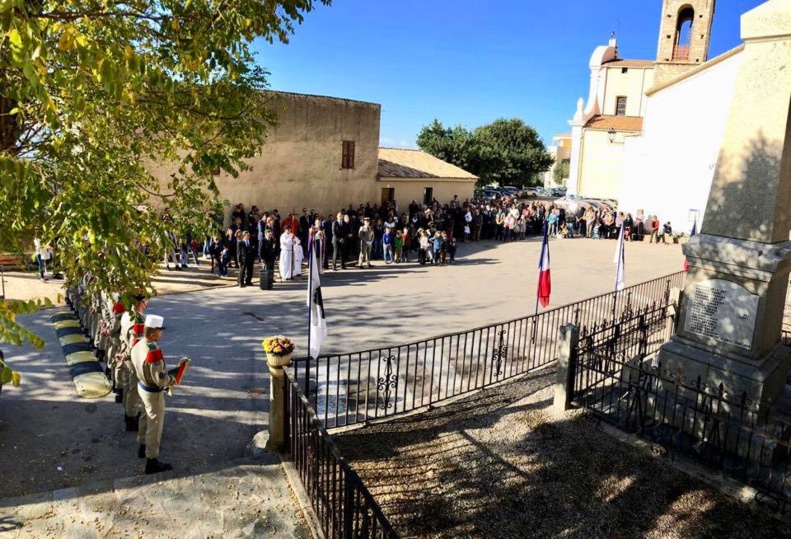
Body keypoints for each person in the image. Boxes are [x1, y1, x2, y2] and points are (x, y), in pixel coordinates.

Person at [131, 314, 184, 474]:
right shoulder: (153, 352)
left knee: (144, 417)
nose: (161, 334)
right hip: (153, 393)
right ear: (153, 333)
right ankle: (151, 460)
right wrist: (173, 379)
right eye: (160, 331)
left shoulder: (138, 343)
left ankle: (142, 445)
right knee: (155, 425)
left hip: (142, 386)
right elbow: (160, 380)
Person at [119, 294, 148, 430]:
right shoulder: (137, 319)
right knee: (135, 389)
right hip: (135, 358)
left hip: (127, 354)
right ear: (141, 303)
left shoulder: (127, 313)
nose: (147, 303)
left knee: (128, 386)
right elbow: (135, 344)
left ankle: (127, 410)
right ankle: (131, 416)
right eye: (146, 300)